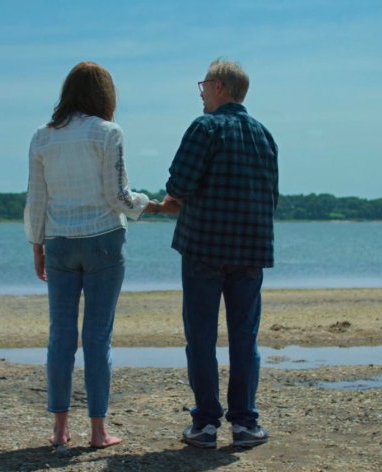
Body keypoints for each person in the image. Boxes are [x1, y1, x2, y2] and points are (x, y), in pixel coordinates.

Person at [24, 61, 162, 449]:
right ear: (104, 95)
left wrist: (37, 242)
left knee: (60, 338)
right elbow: (117, 196)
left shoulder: (42, 137)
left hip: (59, 242)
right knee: (98, 338)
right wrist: (148, 204)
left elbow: (37, 198)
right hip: (103, 240)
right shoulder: (107, 133)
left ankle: (59, 430)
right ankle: (99, 432)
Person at [163, 58, 278, 449]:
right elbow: (270, 197)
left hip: (204, 247)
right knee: (244, 338)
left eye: (203, 85)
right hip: (251, 250)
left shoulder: (205, 127)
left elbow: (180, 182)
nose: (200, 92)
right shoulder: (264, 135)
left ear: (219, 87)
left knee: (201, 338)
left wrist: (172, 199)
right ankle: (244, 422)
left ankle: (207, 424)